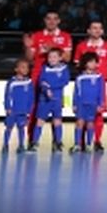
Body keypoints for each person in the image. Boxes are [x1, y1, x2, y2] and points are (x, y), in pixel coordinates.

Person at [25, 11, 71, 145]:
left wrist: (53, 47)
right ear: (45, 20)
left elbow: (67, 58)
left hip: (55, 78)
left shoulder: (65, 36)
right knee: (35, 109)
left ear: (59, 21)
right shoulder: (37, 35)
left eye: (54, 19)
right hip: (38, 75)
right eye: (49, 19)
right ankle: (32, 140)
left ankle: (57, 141)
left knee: (56, 112)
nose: (51, 21)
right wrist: (28, 46)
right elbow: (29, 58)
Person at [74, 21, 107, 151]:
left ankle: (96, 141)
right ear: (88, 31)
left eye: (99, 28)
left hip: (99, 85)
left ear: (102, 31)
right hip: (85, 86)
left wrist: (100, 76)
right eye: (94, 28)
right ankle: (80, 142)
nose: (96, 30)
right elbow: (77, 64)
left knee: (98, 115)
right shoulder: (81, 46)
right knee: (81, 117)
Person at [33, 48, 70, 151]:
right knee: (40, 120)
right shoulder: (44, 68)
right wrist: (46, 90)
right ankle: (34, 142)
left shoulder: (64, 69)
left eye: (54, 57)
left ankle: (58, 142)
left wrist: (51, 87)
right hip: (44, 99)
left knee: (57, 120)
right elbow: (41, 82)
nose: (52, 59)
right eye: (50, 57)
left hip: (57, 99)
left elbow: (65, 81)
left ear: (60, 58)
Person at [72, 52, 104, 152]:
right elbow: (76, 91)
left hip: (93, 104)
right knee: (79, 123)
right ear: (85, 63)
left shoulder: (99, 77)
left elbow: (101, 91)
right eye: (90, 62)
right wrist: (74, 104)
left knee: (90, 123)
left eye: (94, 62)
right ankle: (77, 144)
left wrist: (100, 103)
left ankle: (89, 144)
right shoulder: (80, 77)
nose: (92, 64)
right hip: (81, 104)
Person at [3, 58, 34, 153]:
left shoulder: (29, 82)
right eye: (23, 67)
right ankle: (5, 144)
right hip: (13, 110)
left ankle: (21, 145)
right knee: (9, 127)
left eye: (27, 68)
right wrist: (8, 107)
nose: (25, 69)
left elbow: (31, 97)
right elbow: (7, 95)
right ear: (16, 69)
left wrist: (29, 110)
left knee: (21, 127)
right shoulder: (11, 82)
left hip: (23, 111)